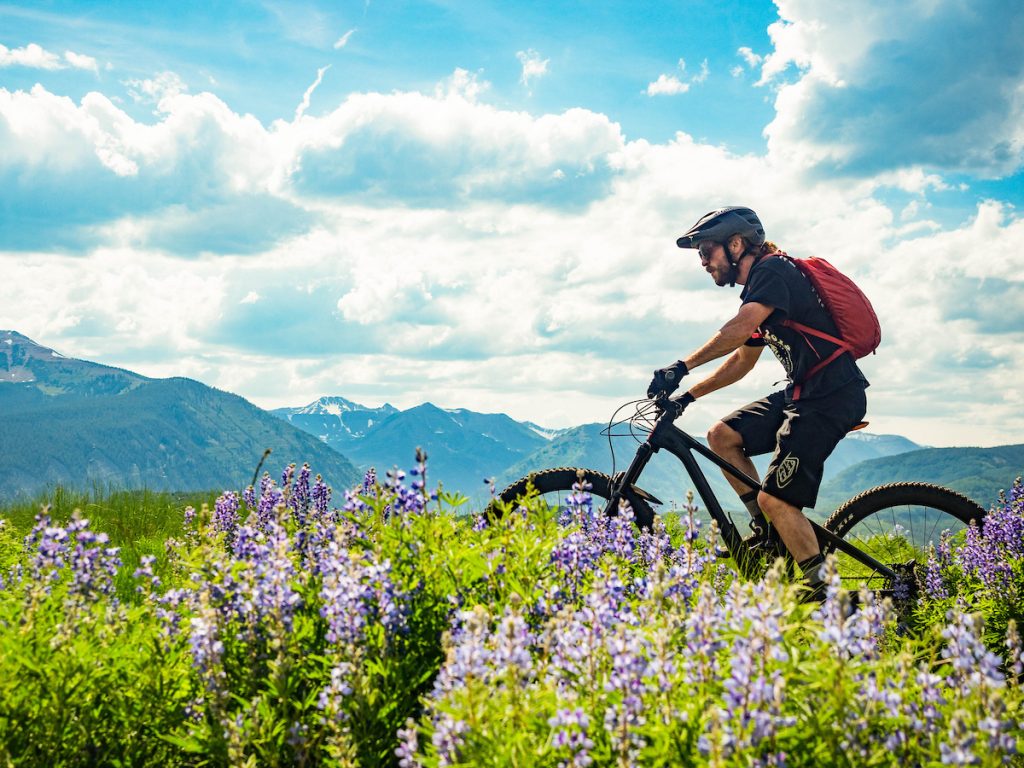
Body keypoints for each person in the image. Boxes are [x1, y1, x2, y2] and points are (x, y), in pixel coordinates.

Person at [647, 206, 869, 599]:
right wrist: (687, 397)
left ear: (736, 245)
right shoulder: (762, 290)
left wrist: (682, 366)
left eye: (706, 251)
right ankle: (770, 534)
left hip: (830, 396)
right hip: (803, 390)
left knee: (775, 498)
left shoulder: (772, 272)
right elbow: (743, 359)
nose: (702, 262)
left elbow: (739, 329)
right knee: (722, 436)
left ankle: (826, 600)